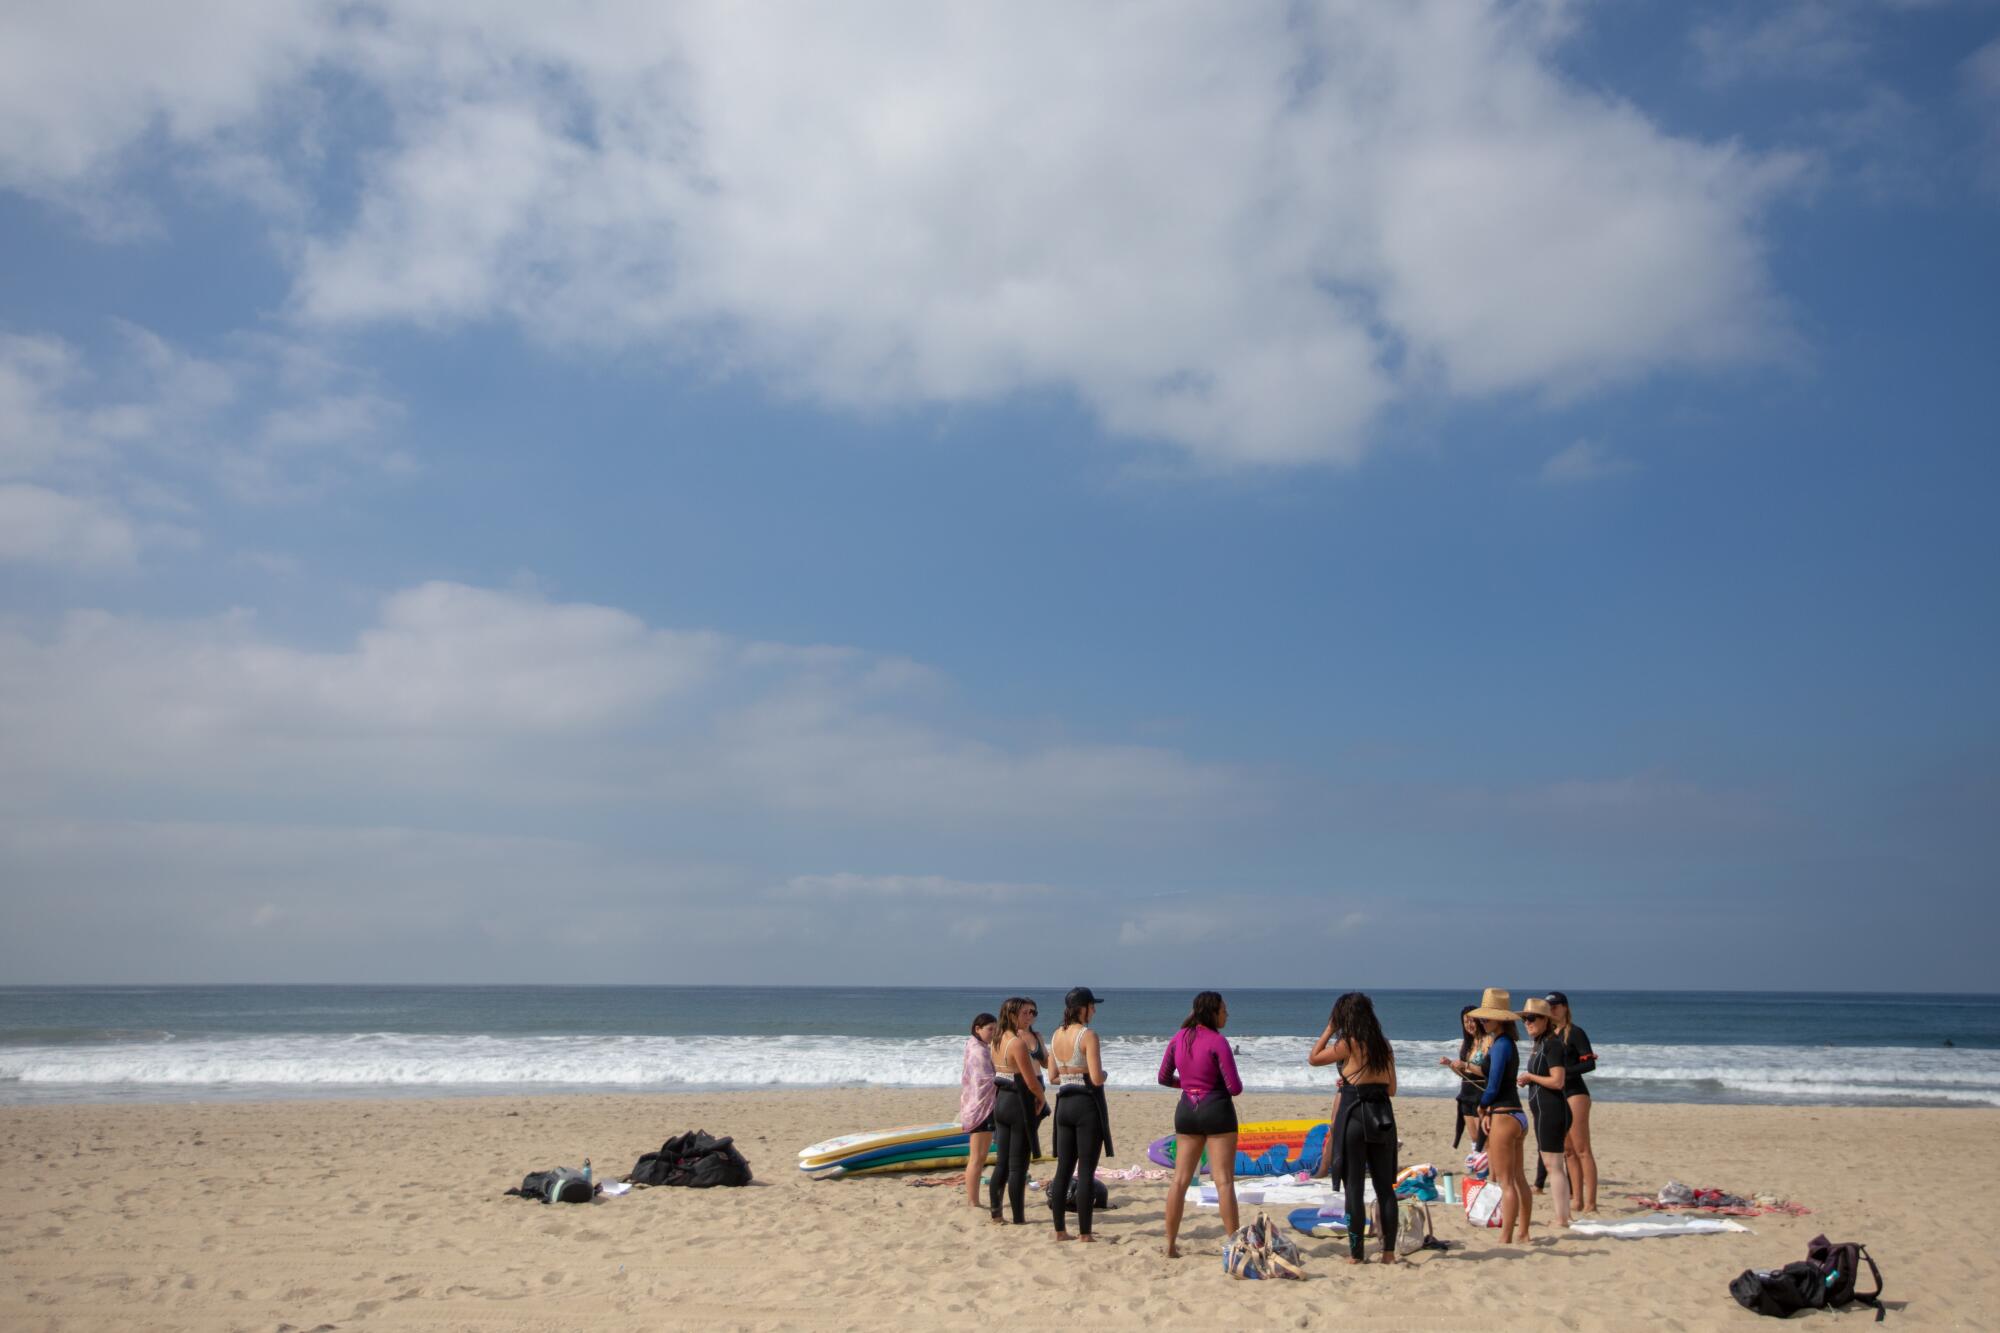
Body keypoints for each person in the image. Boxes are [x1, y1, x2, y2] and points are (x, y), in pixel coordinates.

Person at [1309, 992, 1399, 1264]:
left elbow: (1313, 1058)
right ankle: (1388, 1253)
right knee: (1386, 1188)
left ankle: (1357, 1254)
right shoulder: (1384, 1046)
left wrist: (1328, 1028)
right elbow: (1392, 1089)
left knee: (1355, 1188)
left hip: (1355, 1115)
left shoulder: (1348, 1043)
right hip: (1382, 1115)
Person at [1158, 990, 1242, 1258]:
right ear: (1213, 1012)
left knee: (1180, 1180)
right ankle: (1235, 1246)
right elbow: (1235, 1087)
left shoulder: (1178, 1037)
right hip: (1216, 1111)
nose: (1227, 1014)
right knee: (1224, 1181)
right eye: (1223, 1009)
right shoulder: (1218, 1041)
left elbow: (1162, 1077)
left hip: (1187, 1112)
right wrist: (1209, 1087)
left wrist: (1190, 1085)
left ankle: (1170, 1245)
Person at [1047, 987, 1112, 1242]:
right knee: (1086, 1171)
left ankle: (1060, 1231)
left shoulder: (1055, 1035)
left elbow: (1052, 1077)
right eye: (1092, 1006)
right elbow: (1096, 1078)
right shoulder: (1088, 1036)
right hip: (1086, 1104)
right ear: (1082, 1008)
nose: (1094, 1010)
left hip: (1064, 1103)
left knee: (1063, 1169)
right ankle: (1085, 1233)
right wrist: (1104, 1075)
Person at [1469, 987, 1532, 1243]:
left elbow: (1493, 1085)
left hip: (1504, 1115)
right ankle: (1524, 1232)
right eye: (1481, 1018)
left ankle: (1506, 1236)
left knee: (1506, 1182)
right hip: (1517, 1114)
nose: (1482, 1022)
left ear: (1501, 1019)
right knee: (1519, 1179)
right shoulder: (1507, 1044)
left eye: (1486, 1017)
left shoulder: (1501, 1044)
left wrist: (1482, 1106)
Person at [987, 997, 1047, 1224]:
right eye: (1024, 1013)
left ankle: (996, 1214)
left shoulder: (996, 1039)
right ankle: (1018, 1218)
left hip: (1001, 1099)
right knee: (1018, 1165)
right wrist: (1041, 1098)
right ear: (1012, 1015)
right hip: (1018, 1103)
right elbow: (1030, 1081)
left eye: (1032, 1012)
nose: (1029, 1017)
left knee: (1002, 1162)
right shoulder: (1017, 1043)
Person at [1516, 997, 1572, 1228]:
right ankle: (1564, 1216)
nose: (1527, 1023)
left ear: (1545, 1020)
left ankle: (1562, 1219)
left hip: (1552, 1109)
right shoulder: (1540, 1043)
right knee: (1553, 1164)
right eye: (1524, 1019)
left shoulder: (1551, 1044)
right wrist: (1529, 1080)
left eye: (1531, 1018)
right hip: (1544, 1109)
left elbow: (1558, 1081)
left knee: (1553, 1165)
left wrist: (1530, 1077)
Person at [1548, 991, 1599, 1213]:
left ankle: (1591, 1202)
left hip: (1575, 1092)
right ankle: (1576, 1199)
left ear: (1565, 1007)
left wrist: (1564, 1073)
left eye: (1556, 1006)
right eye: (1549, 1007)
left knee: (1582, 1148)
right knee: (1567, 1150)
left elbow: (1589, 1064)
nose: (1552, 1010)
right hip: (1557, 1094)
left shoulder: (1575, 1033)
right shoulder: (1549, 1036)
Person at [959, 1012, 998, 1209]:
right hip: (980, 1107)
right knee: (977, 1157)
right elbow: (985, 1080)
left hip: (977, 1105)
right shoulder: (979, 1051)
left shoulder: (976, 1045)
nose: (993, 1033)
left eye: (995, 1029)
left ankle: (973, 1200)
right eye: (990, 1029)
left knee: (980, 1156)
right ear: (978, 1029)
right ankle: (973, 1201)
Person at [1438, 1003, 1487, 1151]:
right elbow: (1463, 1075)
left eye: (1472, 1020)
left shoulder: (1487, 1041)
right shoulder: (1466, 1043)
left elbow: (1487, 1071)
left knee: (1483, 1138)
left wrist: (1465, 1065)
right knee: (1473, 1138)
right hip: (1466, 1093)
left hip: (1481, 1092)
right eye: (1466, 1022)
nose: (1469, 1025)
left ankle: (1485, 1169)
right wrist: (1451, 1065)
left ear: (1479, 1020)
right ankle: (1479, 1171)